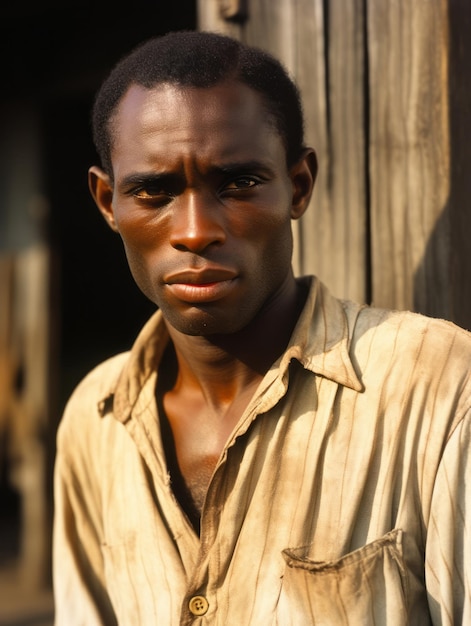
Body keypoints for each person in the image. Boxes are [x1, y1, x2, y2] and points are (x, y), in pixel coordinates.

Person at [52, 30, 471, 625]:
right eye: (154, 191)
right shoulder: (94, 421)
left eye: (238, 183)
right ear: (107, 201)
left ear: (298, 186)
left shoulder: (437, 387)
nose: (195, 230)